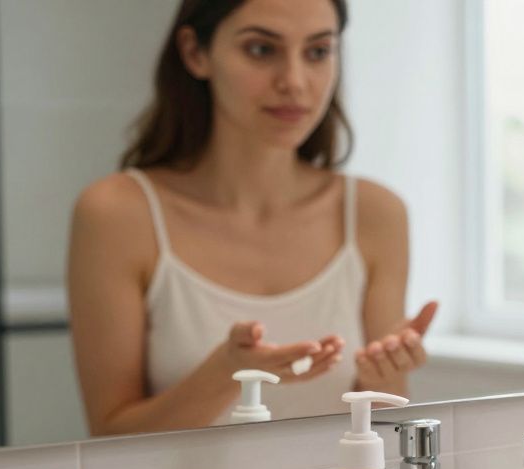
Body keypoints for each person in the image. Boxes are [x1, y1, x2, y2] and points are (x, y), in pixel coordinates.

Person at [67, 0, 436, 436]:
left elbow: (383, 430)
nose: (295, 82)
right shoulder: (116, 215)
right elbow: (110, 441)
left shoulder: (376, 214)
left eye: (318, 52)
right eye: (262, 50)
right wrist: (225, 374)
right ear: (195, 53)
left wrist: (383, 375)